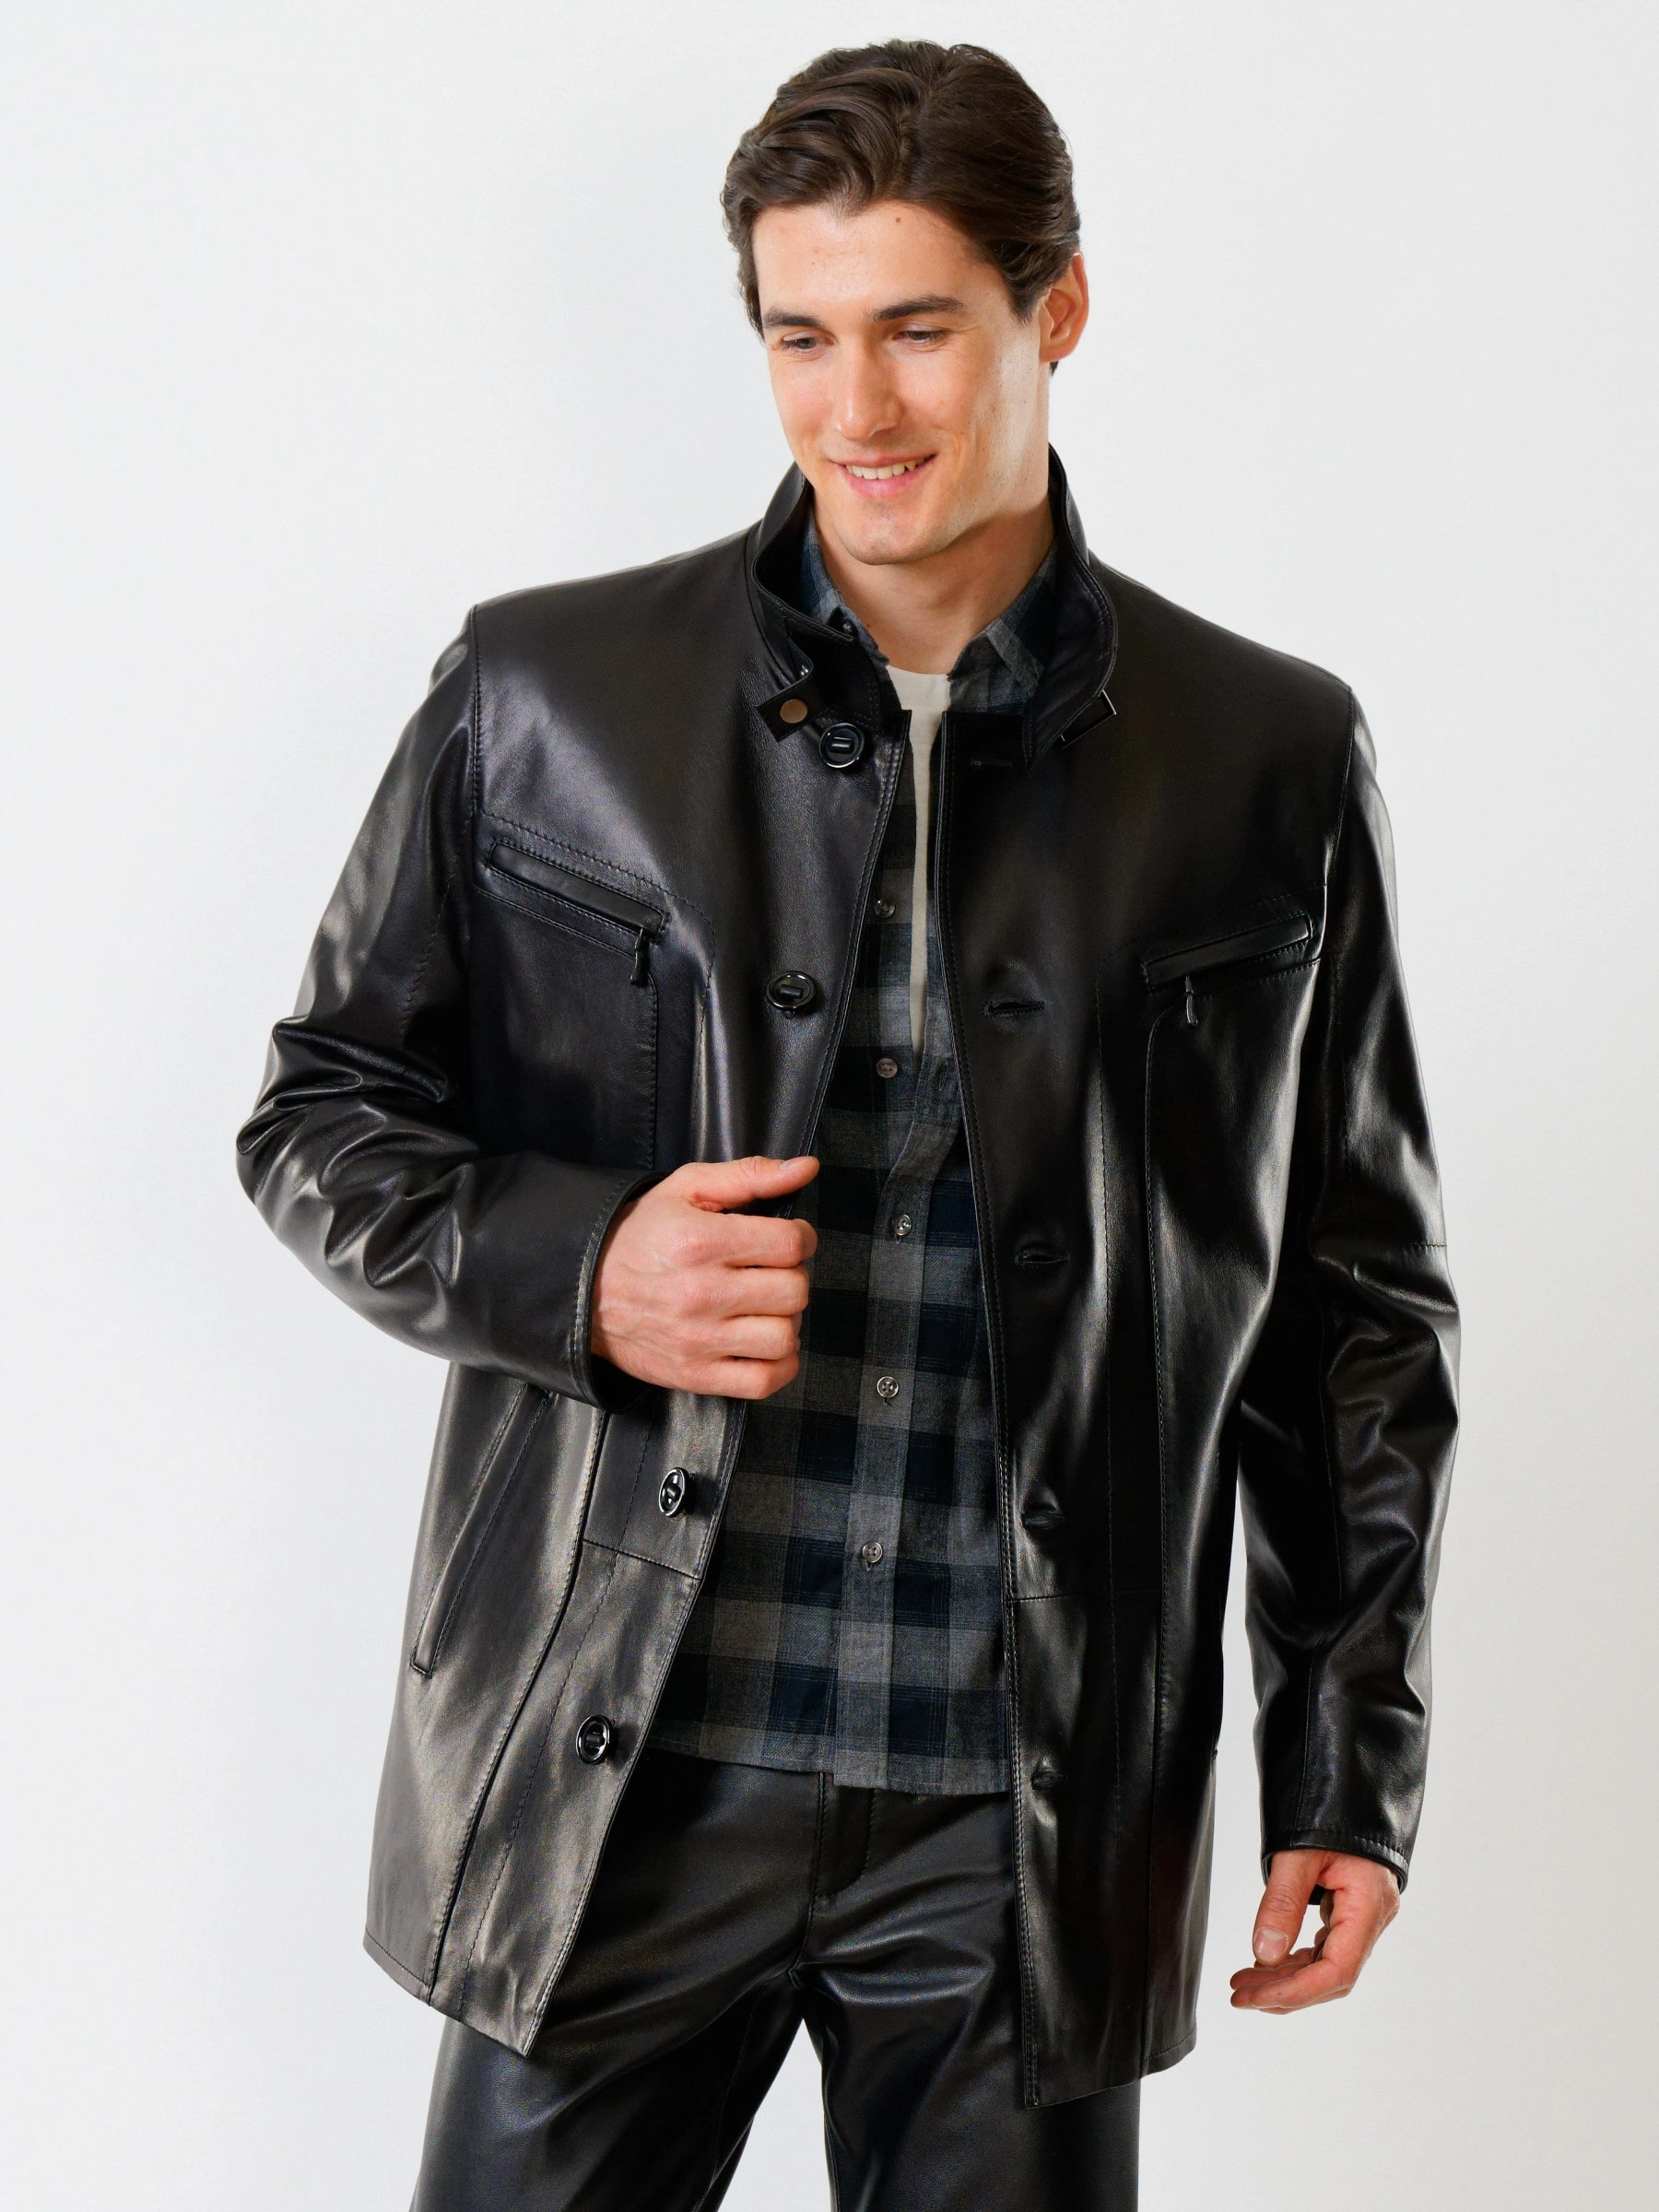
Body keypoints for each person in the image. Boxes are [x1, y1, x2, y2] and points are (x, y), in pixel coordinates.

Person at [236, 38, 1458, 2212]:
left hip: (1024, 1813)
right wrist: (580, 1268)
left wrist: (1346, 1767)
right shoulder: (547, 697)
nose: (856, 409)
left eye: (917, 328)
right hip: (619, 1767)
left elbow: (1356, 1309)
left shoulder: (1265, 755)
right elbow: (322, 1113)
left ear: (1056, 308)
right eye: (801, 337)